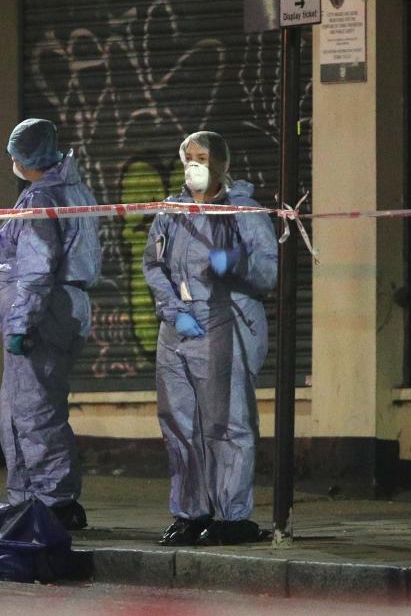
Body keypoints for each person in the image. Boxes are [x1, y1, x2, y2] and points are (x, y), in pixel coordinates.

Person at [142, 131, 277, 546]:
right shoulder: (170, 210)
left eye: (202, 157)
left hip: (227, 322)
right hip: (178, 329)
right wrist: (173, 312)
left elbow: (269, 273)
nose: (193, 165)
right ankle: (190, 513)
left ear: (221, 162)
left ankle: (231, 517)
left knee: (228, 423)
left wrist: (235, 263)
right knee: (179, 423)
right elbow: (153, 264)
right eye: (188, 157)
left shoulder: (244, 211)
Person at [0, 118, 101, 531]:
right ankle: (30, 498)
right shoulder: (71, 188)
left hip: (44, 310)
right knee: (24, 407)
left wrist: (20, 322)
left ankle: (53, 500)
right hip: (58, 306)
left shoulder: (43, 198)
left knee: (34, 410)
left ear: (23, 156)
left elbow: (36, 269)